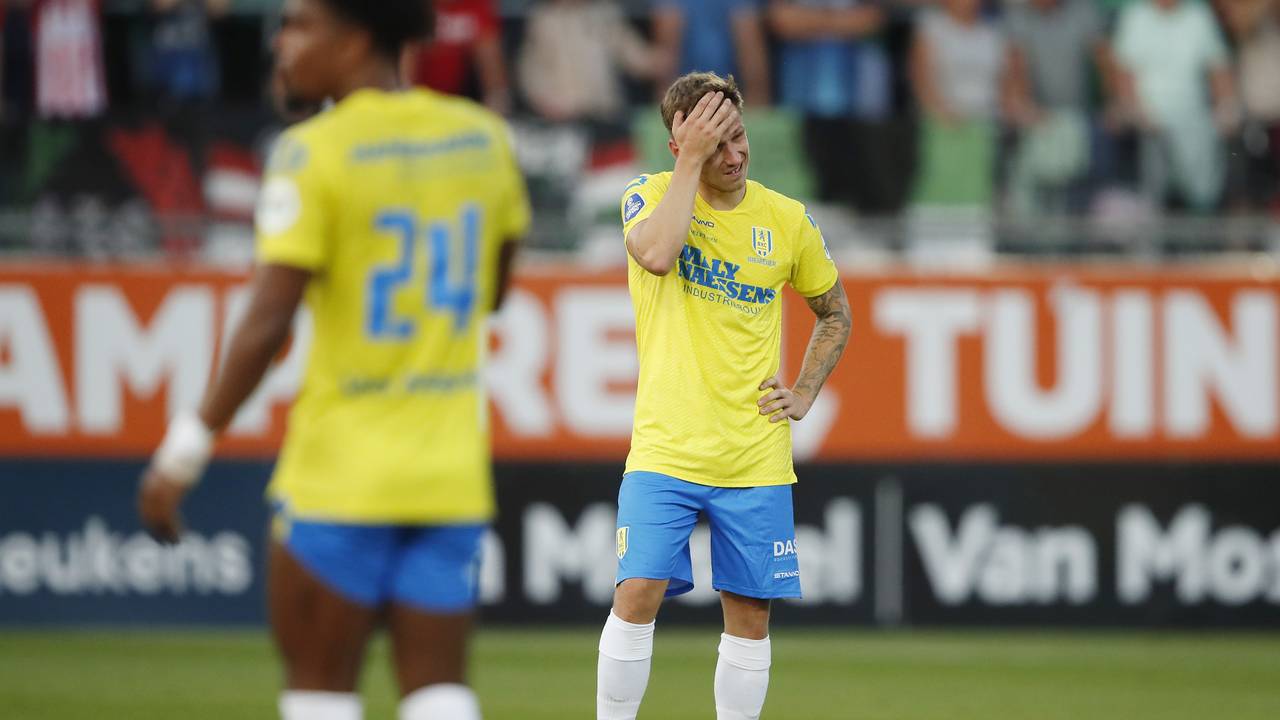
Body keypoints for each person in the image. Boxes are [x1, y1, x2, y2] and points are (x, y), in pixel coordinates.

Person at [136, 1, 530, 718]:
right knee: (439, 694)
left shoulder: (311, 150)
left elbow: (266, 324)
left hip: (340, 475)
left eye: (298, 24)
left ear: (355, 38)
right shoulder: (483, 139)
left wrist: (181, 456)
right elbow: (494, 290)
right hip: (446, 476)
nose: (280, 43)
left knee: (320, 697)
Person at [597, 72, 852, 720]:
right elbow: (656, 255)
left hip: (753, 454)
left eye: (739, 137)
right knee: (638, 593)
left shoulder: (787, 220)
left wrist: (802, 391)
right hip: (665, 448)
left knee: (749, 615)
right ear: (681, 146)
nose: (735, 155)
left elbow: (835, 313)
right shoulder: (647, 196)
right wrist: (689, 163)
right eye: (718, 146)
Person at [1113, 0, 1238, 212]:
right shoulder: (1136, 16)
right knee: (1154, 194)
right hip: (1150, 124)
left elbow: (1218, 67)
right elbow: (1123, 72)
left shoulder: (1198, 16)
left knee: (1203, 192)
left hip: (1194, 121)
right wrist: (1136, 111)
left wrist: (1227, 107)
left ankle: (1201, 232)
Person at [516, 0, 654, 124]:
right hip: (561, 122)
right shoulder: (542, 19)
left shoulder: (605, 13)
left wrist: (664, 58)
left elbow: (637, 58)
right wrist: (549, 107)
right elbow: (530, 75)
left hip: (605, 118)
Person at [652, 0, 771, 106]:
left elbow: (750, 49)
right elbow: (667, 53)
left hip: (731, 94)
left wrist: (757, 101)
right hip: (684, 95)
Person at [404, 0, 510, 114]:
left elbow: (494, 81)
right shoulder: (415, 6)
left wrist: (492, 116)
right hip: (417, 103)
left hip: (461, 103)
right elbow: (404, 75)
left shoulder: (476, 5)